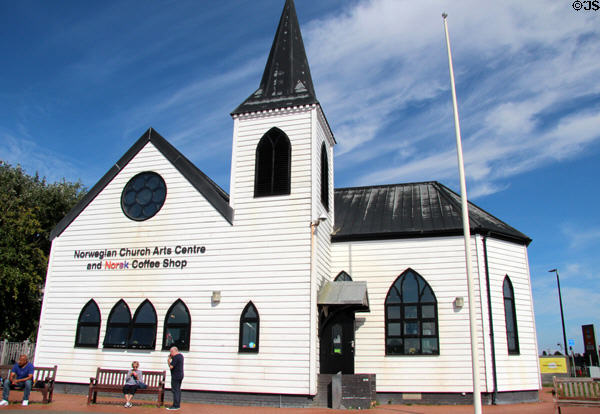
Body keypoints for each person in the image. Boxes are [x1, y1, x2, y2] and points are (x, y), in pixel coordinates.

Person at [166, 346, 184, 410]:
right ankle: (177, 405)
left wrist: (168, 360)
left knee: (175, 390)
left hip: (175, 376)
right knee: (178, 390)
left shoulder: (175, 357)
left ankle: (175, 406)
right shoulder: (181, 356)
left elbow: (171, 366)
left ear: (174, 351)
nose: (170, 353)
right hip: (180, 375)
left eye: (171, 352)